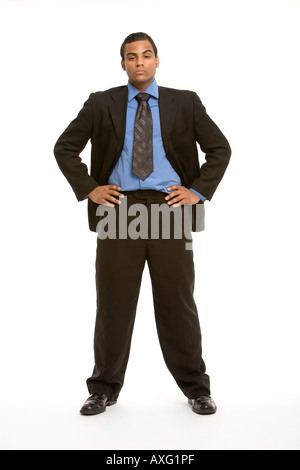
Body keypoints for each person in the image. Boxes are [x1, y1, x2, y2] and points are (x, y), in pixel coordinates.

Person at [54, 32, 231, 416]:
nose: (139, 62)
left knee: (177, 303)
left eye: (146, 55)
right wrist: (90, 189)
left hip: (170, 209)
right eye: (131, 56)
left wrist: (196, 192)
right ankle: (102, 389)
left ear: (157, 60)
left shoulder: (185, 102)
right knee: (114, 303)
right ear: (122, 63)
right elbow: (65, 147)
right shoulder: (102, 103)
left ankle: (197, 389)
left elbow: (219, 149)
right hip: (119, 209)